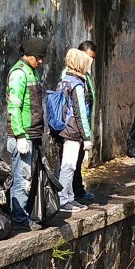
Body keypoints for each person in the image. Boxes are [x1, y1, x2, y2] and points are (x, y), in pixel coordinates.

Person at [7, 37, 47, 232]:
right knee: (22, 179)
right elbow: (14, 106)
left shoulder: (32, 72)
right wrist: (19, 135)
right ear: (28, 55)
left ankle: (24, 215)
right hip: (23, 136)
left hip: (33, 134)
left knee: (28, 178)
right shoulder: (19, 74)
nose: (40, 62)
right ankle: (20, 220)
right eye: (38, 57)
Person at [56, 48, 94, 213]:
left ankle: (69, 197)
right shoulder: (77, 84)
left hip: (64, 127)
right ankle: (64, 200)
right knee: (69, 166)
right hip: (73, 130)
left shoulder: (64, 80)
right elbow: (81, 113)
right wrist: (87, 137)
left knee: (67, 165)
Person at [72, 40, 96, 204]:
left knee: (78, 161)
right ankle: (71, 194)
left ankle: (78, 190)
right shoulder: (74, 78)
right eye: (88, 58)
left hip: (83, 125)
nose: (91, 62)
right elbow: (78, 107)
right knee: (70, 163)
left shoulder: (86, 76)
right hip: (74, 128)